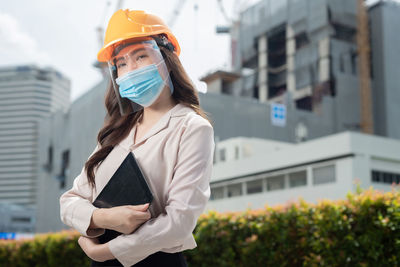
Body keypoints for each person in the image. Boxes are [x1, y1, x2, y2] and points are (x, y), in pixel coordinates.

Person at [59, 9, 215, 267]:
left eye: (140, 56)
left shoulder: (192, 128)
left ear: (166, 60)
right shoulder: (115, 132)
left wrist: (105, 251)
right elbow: (69, 201)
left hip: (157, 261)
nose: (130, 69)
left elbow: (179, 221)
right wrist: (105, 219)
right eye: (121, 63)